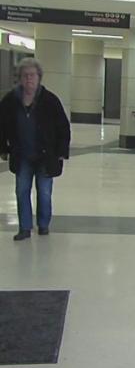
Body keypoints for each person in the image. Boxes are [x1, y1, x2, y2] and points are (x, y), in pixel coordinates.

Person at [0, 57, 70, 241]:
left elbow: (63, 127)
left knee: (44, 192)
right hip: (22, 154)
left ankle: (44, 224)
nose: (28, 79)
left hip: (46, 155)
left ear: (39, 77)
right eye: (25, 76)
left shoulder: (50, 100)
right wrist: (3, 148)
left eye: (32, 75)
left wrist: (62, 151)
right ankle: (24, 227)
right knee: (22, 191)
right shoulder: (10, 100)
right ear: (19, 78)